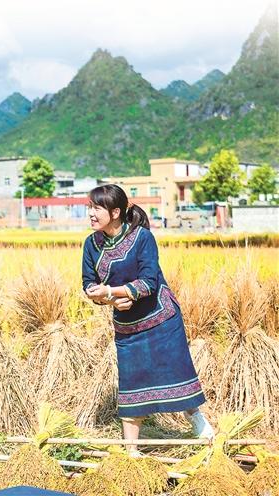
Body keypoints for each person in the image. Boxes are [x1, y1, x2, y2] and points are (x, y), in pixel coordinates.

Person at [81, 184, 213, 452]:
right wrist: (109, 298)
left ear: (115, 212)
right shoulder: (91, 244)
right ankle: (131, 455)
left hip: (161, 320)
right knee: (132, 383)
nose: (91, 213)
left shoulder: (142, 238)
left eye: (97, 208)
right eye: (90, 207)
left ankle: (196, 420)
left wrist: (116, 291)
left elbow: (149, 282)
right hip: (127, 328)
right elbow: (88, 285)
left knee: (175, 373)